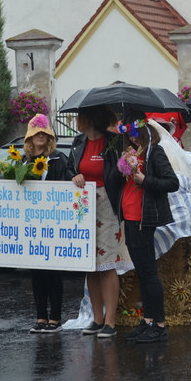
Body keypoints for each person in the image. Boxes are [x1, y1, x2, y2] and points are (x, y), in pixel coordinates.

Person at [117, 114, 179, 344]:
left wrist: (145, 180)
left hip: (144, 218)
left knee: (149, 272)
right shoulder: (131, 154)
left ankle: (159, 325)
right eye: (128, 135)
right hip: (130, 218)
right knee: (141, 272)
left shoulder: (155, 152)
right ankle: (148, 319)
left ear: (144, 132)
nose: (132, 139)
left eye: (135, 134)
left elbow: (172, 183)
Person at [70, 105, 126, 340]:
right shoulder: (78, 142)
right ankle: (97, 318)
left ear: (90, 119)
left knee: (107, 263)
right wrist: (74, 176)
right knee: (90, 264)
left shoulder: (114, 142)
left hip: (107, 205)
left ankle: (110, 321)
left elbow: (120, 173)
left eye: (79, 117)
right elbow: (70, 170)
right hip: (83, 206)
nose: (76, 120)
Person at [24, 114, 74, 333]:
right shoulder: (23, 162)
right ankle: (40, 317)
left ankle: (55, 317)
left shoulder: (59, 159)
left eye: (44, 133)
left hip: (53, 223)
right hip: (31, 224)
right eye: (36, 133)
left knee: (52, 271)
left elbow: (67, 183)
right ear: (30, 137)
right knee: (36, 273)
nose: (40, 136)